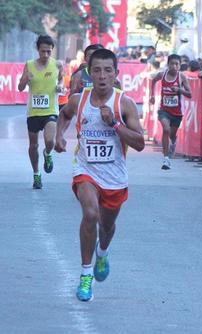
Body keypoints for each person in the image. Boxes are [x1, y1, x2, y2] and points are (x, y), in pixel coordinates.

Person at [54, 48, 145, 302]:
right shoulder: (78, 99)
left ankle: (102, 253)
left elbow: (139, 143)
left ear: (116, 74)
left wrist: (115, 124)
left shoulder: (123, 103)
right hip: (86, 170)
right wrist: (60, 135)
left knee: (106, 227)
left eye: (107, 70)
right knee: (90, 214)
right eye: (97, 70)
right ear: (89, 72)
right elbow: (64, 115)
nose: (102, 76)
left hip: (115, 177)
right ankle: (85, 275)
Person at [17, 35, 64, 189]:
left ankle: (48, 154)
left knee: (50, 140)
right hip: (34, 112)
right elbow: (20, 88)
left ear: (52, 51)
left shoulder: (57, 65)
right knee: (33, 145)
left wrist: (60, 87)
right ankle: (36, 174)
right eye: (43, 51)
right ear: (37, 49)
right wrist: (25, 79)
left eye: (49, 52)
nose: (45, 55)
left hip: (50, 109)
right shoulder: (29, 65)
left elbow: (61, 81)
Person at [150, 54, 192, 170]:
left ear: (179, 65)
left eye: (177, 64)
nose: (174, 66)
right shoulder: (162, 74)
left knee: (172, 134)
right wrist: (152, 95)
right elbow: (153, 81)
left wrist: (179, 90)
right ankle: (166, 158)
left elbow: (190, 94)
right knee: (166, 129)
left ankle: (173, 141)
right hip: (164, 110)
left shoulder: (181, 77)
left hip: (177, 112)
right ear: (168, 64)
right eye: (172, 64)